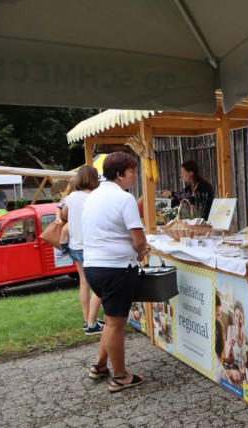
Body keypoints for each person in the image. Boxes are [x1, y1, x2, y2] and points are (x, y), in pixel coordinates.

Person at [82, 152, 150, 392]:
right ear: (120, 173)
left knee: (111, 320)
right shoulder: (124, 199)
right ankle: (120, 376)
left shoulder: (93, 196)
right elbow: (138, 239)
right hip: (116, 267)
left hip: (93, 266)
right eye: (132, 171)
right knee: (115, 324)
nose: (134, 176)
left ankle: (100, 365)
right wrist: (141, 253)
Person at [55, 166, 103, 335]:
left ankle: (87, 320)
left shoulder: (71, 197)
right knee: (100, 285)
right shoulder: (96, 197)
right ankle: (92, 323)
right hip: (92, 246)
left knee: (84, 283)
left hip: (75, 246)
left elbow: (65, 214)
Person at [224, 300, 248, 384]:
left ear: (243, 319)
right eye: (236, 316)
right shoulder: (230, 330)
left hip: (243, 377)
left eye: (240, 317)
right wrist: (229, 347)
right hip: (233, 373)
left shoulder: (246, 339)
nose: (237, 320)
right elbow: (226, 357)